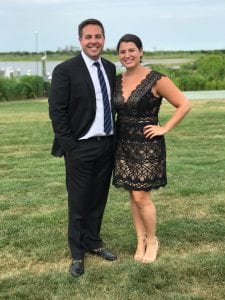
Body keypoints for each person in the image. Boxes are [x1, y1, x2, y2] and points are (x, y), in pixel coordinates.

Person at [112, 34, 191, 263]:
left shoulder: (156, 79)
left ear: (141, 51)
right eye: (122, 51)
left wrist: (164, 128)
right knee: (133, 195)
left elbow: (184, 104)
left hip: (147, 146)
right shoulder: (117, 80)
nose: (127, 55)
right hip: (124, 144)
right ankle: (140, 240)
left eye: (131, 50)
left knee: (141, 196)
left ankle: (153, 240)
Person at [48, 18, 117, 277]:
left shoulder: (109, 68)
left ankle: (94, 243)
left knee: (98, 199)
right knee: (79, 202)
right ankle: (77, 254)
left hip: (106, 145)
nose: (93, 41)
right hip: (80, 148)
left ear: (103, 39)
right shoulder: (65, 70)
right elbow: (57, 112)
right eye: (88, 37)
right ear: (80, 40)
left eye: (98, 36)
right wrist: (70, 148)